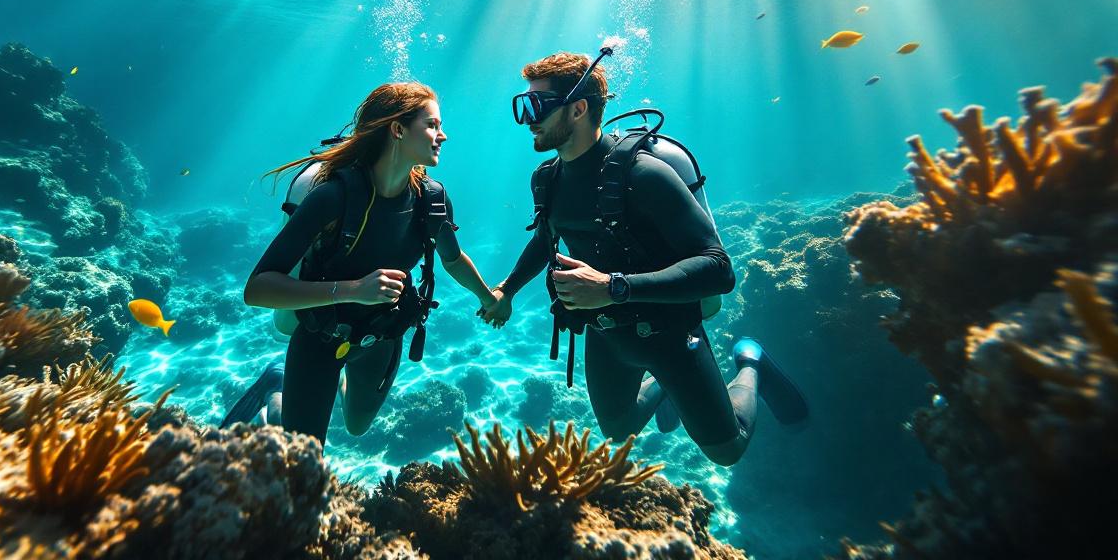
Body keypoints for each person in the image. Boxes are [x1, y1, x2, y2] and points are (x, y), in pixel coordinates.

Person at [482, 47, 809, 465]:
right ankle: (665, 387)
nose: (527, 119)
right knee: (618, 430)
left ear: (578, 109)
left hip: (668, 335)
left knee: (729, 450)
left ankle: (751, 362)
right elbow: (546, 237)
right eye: (522, 106)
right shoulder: (546, 179)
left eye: (537, 106)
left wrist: (613, 287)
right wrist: (507, 290)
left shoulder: (644, 175)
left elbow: (719, 269)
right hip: (605, 332)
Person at [223, 82, 495, 445]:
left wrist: (490, 298)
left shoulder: (432, 200)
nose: (442, 135)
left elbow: (453, 259)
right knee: (303, 458)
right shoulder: (333, 197)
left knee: (357, 426)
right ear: (397, 130)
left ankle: (313, 394)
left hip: (381, 337)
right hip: (320, 339)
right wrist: (354, 290)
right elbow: (257, 289)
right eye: (432, 125)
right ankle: (277, 390)